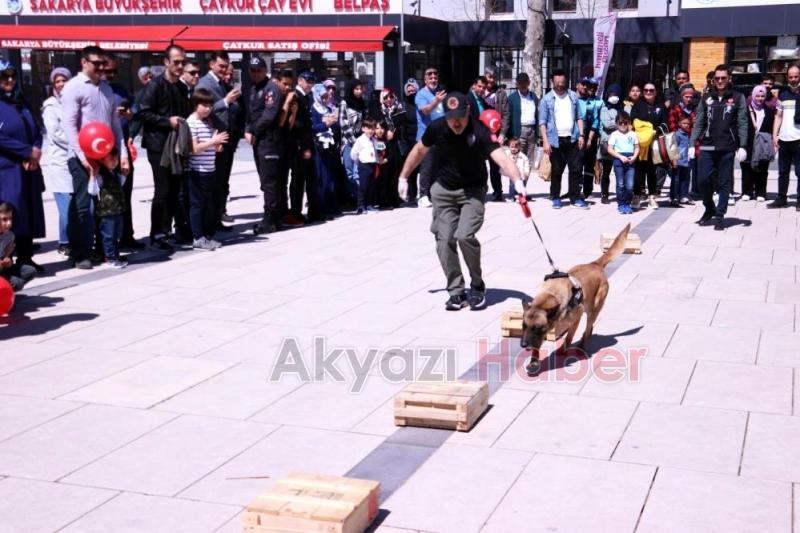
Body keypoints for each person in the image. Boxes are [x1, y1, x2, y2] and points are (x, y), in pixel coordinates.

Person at [397, 92, 526, 311]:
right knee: (444, 239)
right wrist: (403, 176)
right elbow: (419, 151)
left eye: (460, 117)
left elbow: (501, 157)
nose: (456, 122)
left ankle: (477, 285)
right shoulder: (437, 128)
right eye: (451, 117)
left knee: (464, 236)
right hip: (444, 189)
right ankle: (456, 291)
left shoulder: (480, 130)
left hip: (473, 190)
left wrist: (517, 179)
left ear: (467, 112)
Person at [61, 47, 128, 269]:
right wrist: (82, 157)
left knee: (106, 205)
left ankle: (103, 250)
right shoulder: (74, 88)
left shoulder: (106, 88)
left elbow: (115, 124)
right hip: (82, 156)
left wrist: (123, 154)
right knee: (83, 206)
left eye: (103, 64)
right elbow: (70, 125)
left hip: (107, 155)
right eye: (96, 63)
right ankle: (80, 252)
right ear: (84, 62)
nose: (101, 68)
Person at [138, 44, 191, 251]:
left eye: (182, 62)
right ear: (166, 62)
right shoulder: (155, 86)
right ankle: (157, 233)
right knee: (162, 190)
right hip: (158, 145)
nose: (179, 66)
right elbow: (143, 113)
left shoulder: (181, 87)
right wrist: (166, 121)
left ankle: (168, 230)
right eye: (176, 62)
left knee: (175, 190)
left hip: (176, 145)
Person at [0, 60, 46, 273]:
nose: (9, 80)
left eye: (12, 75)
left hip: (29, 167)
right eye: (4, 76)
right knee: (13, 212)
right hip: (8, 168)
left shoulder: (21, 103)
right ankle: (8, 260)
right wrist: (25, 152)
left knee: (29, 210)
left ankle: (26, 257)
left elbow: (36, 130)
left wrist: (35, 152)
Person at [690, 64, 748, 230]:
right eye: (717, 78)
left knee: (724, 183)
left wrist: (742, 145)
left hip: (727, 147)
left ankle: (720, 215)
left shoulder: (738, 97)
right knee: (702, 181)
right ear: (713, 80)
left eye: (723, 78)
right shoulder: (706, 98)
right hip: (707, 146)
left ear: (729, 78)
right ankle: (709, 208)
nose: (720, 81)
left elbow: (743, 122)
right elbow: (699, 121)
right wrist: (692, 143)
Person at [196, 52, 242, 229]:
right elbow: (202, 109)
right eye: (221, 66)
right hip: (213, 139)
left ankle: (216, 218)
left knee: (221, 181)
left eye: (226, 66)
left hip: (225, 139)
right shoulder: (205, 83)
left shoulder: (222, 82)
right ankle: (209, 221)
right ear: (212, 65)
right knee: (213, 182)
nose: (224, 70)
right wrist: (225, 101)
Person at [103, 55, 144, 250]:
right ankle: (106, 241)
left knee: (125, 194)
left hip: (122, 150)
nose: (110, 75)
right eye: (107, 71)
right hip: (103, 149)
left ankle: (127, 235)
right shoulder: (96, 90)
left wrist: (129, 114)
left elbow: (134, 107)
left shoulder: (120, 89)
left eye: (114, 71)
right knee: (106, 197)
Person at [251, 69, 294, 235]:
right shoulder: (263, 91)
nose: (286, 88)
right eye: (284, 84)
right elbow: (255, 114)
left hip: (274, 143)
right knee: (271, 183)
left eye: (289, 84)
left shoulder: (280, 96)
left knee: (271, 183)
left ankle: (270, 220)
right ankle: (275, 218)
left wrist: (255, 131)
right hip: (272, 143)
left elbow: (282, 122)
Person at [187, 88, 228, 250]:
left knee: (207, 204)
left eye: (210, 106)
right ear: (196, 105)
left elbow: (210, 147)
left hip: (209, 169)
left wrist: (217, 146)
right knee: (197, 204)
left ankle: (205, 234)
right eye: (204, 105)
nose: (208, 109)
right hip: (197, 171)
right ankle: (198, 237)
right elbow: (194, 149)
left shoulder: (207, 122)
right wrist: (213, 141)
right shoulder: (192, 122)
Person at [538, 69, 586, 209]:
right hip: (555, 140)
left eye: (563, 82)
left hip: (573, 138)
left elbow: (579, 117)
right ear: (552, 81)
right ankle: (555, 197)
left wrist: (581, 134)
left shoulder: (573, 96)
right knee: (557, 170)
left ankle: (575, 197)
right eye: (557, 82)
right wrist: (545, 142)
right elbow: (542, 122)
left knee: (576, 169)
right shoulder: (547, 99)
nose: (560, 85)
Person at [41, 66, 73, 256]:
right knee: (66, 206)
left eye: (64, 80)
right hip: (61, 161)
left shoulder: (75, 101)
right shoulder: (50, 105)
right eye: (57, 81)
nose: (61, 84)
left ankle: (72, 239)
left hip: (77, 160)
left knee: (77, 204)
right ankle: (64, 241)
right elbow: (56, 134)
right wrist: (78, 143)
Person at [289, 70, 323, 223]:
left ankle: (314, 211)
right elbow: (296, 124)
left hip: (308, 143)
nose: (310, 85)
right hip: (299, 145)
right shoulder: (296, 96)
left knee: (311, 179)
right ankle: (295, 212)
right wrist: (303, 147)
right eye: (308, 81)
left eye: (312, 82)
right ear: (300, 80)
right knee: (298, 180)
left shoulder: (306, 96)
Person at [631, 81, 667, 209]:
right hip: (640, 144)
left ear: (656, 92)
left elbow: (665, 123)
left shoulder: (661, 106)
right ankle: (636, 196)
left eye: (651, 90)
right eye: (646, 90)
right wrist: (645, 132)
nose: (648, 92)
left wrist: (655, 131)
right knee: (639, 171)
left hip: (655, 143)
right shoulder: (637, 105)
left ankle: (652, 197)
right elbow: (633, 122)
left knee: (652, 171)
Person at [769, 64, 800, 210]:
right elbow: (778, 116)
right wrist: (775, 135)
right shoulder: (783, 94)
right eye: (791, 76)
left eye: (796, 76)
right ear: (787, 77)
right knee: (783, 171)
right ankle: (781, 198)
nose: (793, 79)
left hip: (799, 139)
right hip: (785, 138)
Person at [415, 67, 446, 207]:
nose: (433, 78)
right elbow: (426, 111)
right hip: (426, 137)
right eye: (430, 76)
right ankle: (422, 196)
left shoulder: (441, 93)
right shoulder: (421, 95)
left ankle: (434, 195)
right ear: (425, 79)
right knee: (426, 168)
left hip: (440, 137)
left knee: (437, 168)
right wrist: (437, 101)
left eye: (435, 75)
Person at [91, 148, 128, 268]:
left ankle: (115, 255)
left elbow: (120, 184)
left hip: (117, 210)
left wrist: (124, 175)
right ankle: (110, 258)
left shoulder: (115, 173)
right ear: (101, 160)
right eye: (111, 159)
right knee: (108, 236)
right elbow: (92, 190)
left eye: (116, 159)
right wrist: (93, 176)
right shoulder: (100, 175)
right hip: (106, 212)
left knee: (116, 235)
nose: (115, 162)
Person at [310, 84, 341, 218]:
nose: (324, 99)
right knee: (320, 177)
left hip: (330, 147)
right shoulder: (313, 109)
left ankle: (330, 206)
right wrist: (325, 124)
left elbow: (337, 126)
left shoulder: (328, 108)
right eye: (322, 96)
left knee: (330, 177)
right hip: (319, 147)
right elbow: (312, 127)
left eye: (325, 96)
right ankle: (320, 208)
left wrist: (333, 122)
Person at [741, 85, 774, 203]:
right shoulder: (745, 109)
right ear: (753, 96)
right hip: (748, 141)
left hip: (763, 142)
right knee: (746, 166)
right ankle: (747, 191)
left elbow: (771, 127)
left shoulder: (769, 110)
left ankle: (761, 192)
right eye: (758, 96)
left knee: (763, 167)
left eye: (762, 96)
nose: (760, 98)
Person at [484, 66, 511, 202]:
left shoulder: (501, 93)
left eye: (494, 77)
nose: (492, 80)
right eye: (489, 77)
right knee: (478, 165)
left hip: (495, 134)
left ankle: (497, 191)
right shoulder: (478, 90)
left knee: (496, 164)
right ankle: (480, 190)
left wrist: (502, 134)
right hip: (481, 133)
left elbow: (506, 114)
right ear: (485, 76)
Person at [339, 79, 367, 209]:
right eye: (356, 89)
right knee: (349, 172)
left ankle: (359, 200)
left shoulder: (362, 104)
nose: (359, 91)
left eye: (361, 89)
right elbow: (343, 124)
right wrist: (354, 142)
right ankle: (351, 198)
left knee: (358, 173)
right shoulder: (344, 103)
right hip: (348, 143)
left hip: (360, 142)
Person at [668, 83, 698, 203]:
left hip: (689, 146)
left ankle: (684, 194)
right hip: (678, 146)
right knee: (676, 176)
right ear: (682, 96)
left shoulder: (694, 110)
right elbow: (672, 130)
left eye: (691, 97)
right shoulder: (675, 109)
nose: (689, 99)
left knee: (687, 174)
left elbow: (696, 127)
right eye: (686, 96)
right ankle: (675, 195)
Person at [606, 112, 639, 215]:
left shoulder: (633, 134)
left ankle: (627, 203)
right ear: (617, 124)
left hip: (630, 161)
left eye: (625, 123)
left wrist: (634, 157)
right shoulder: (614, 134)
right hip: (619, 160)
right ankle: (621, 204)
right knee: (620, 184)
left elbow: (637, 147)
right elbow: (610, 149)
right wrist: (620, 157)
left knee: (630, 185)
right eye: (621, 123)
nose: (623, 125)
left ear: (629, 123)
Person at [596, 83, 624, 204]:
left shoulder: (624, 107)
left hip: (621, 144)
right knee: (606, 172)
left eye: (616, 94)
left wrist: (619, 124)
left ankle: (620, 194)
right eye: (611, 94)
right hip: (607, 143)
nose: (614, 96)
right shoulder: (604, 108)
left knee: (620, 172)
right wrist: (621, 123)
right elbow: (607, 124)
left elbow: (627, 123)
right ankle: (605, 194)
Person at [0, 202, 36, 291]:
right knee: (17, 282)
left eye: (10, 219)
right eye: (4, 219)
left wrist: (7, 261)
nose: (9, 223)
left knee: (30, 271)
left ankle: (6, 293)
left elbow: (5, 259)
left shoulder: (10, 236)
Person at [576, 76, 602, 199]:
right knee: (576, 163)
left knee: (589, 163)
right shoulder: (574, 100)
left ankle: (587, 190)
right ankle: (575, 189)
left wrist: (590, 138)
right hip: (576, 133)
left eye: (593, 87)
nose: (589, 89)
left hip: (590, 133)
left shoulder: (594, 102)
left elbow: (596, 121)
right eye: (587, 86)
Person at [350, 118, 382, 214]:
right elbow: (353, 153)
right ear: (363, 129)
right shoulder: (360, 140)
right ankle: (361, 206)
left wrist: (379, 153)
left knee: (371, 186)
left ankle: (369, 205)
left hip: (373, 164)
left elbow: (381, 148)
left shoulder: (374, 140)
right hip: (364, 165)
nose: (371, 131)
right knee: (363, 186)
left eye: (372, 128)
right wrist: (358, 161)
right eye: (368, 128)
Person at [507, 72, 538, 170]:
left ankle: (525, 183)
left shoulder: (534, 97)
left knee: (529, 162)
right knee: (518, 160)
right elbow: (508, 117)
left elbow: (537, 114)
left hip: (532, 131)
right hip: (519, 131)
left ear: (529, 83)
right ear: (517, 84)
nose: (523, 85)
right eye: (520, 83)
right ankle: (515, 184)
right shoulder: (512, 98)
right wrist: (510, 136)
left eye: (525, 82)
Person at [400, 78, 420, 202]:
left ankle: (425, 193)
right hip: (408, 141)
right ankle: (411, 194)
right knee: (411, 168)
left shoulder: (421, 103)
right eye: (409, 90)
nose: (411, 91)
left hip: (421, 139)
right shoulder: (403, 105)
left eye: (413, 89)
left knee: (424, 168)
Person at [671, 115, 694, 207]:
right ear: (679, 124)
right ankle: (674, 197)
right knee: (676, 180)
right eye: (684, 123)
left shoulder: (688, 135)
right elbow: (673, 147)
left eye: (688, 124)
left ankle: (683, 196)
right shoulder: (677, 134)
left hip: (686, 161)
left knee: (685, 179)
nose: (686, 125)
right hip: (678, 161)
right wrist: (674, 160)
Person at [128, 66, 152, 140]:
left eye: (151, 77)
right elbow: (137, 115)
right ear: (140, 79)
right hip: (150, 134)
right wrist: (131, 135)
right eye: (145, 78)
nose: (149, 80)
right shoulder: (140, 96)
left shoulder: (162, 88)